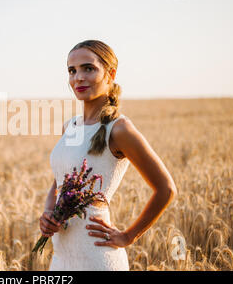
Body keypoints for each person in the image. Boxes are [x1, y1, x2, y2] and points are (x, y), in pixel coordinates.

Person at [40, 39, 178, 270]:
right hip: (61, 257)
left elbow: (166, 189)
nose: (78, 77)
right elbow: (60, 183)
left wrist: (128, 236)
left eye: (88, 68)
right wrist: (47, 213)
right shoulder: (70, 127)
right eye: (72, 71)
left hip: (97, 255)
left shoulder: (119, 129)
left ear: (110, 73)